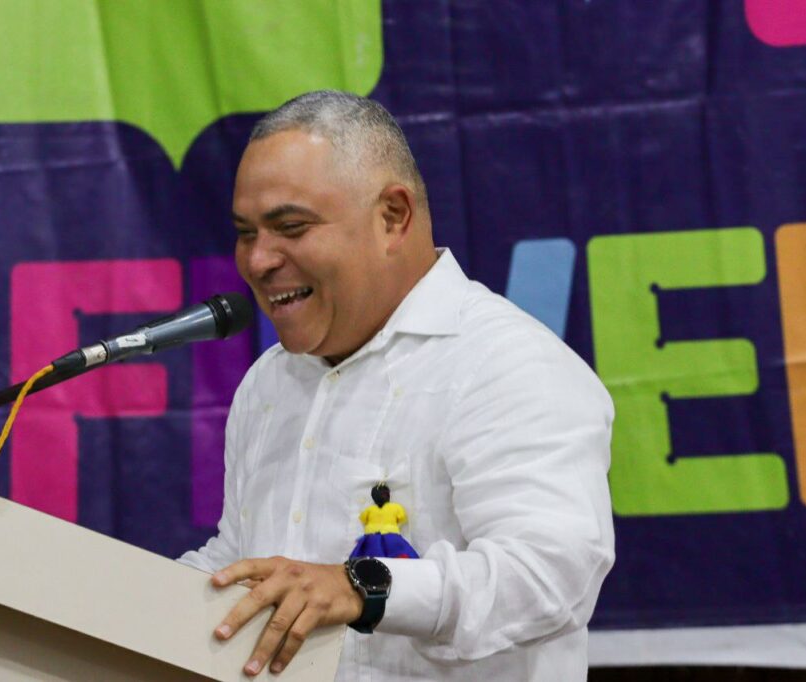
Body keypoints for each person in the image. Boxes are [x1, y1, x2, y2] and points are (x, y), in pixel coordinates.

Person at [179, 90, 615, 681]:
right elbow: (241, 562)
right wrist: (99, 598)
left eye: (290, 227)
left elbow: (549, 576)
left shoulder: (507, 363)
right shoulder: (270, 381)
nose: (257, 261)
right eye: (245, 233)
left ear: (393, 216)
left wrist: (362, 587)